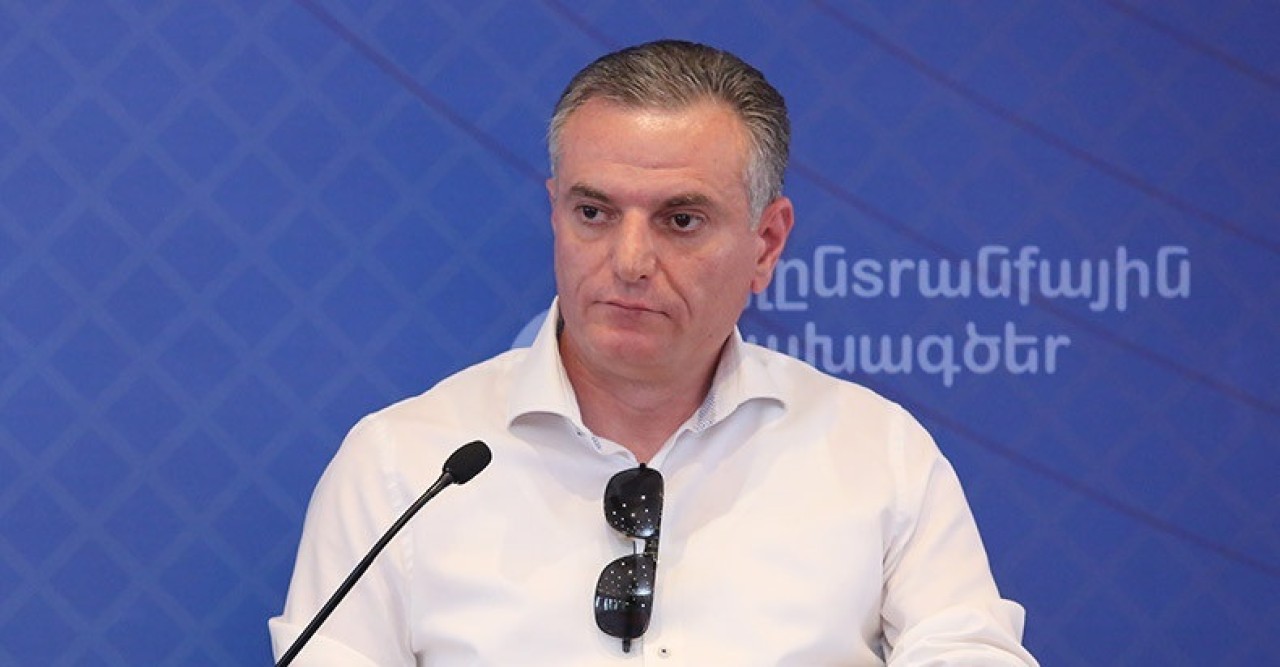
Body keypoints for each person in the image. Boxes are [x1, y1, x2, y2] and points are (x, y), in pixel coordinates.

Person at [269, 39, 1038, 665]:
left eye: (681, 220)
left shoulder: (877, 455)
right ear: (556, 214)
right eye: (594, 211)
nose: (630, 260)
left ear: (767, 242)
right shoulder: (403, 466)